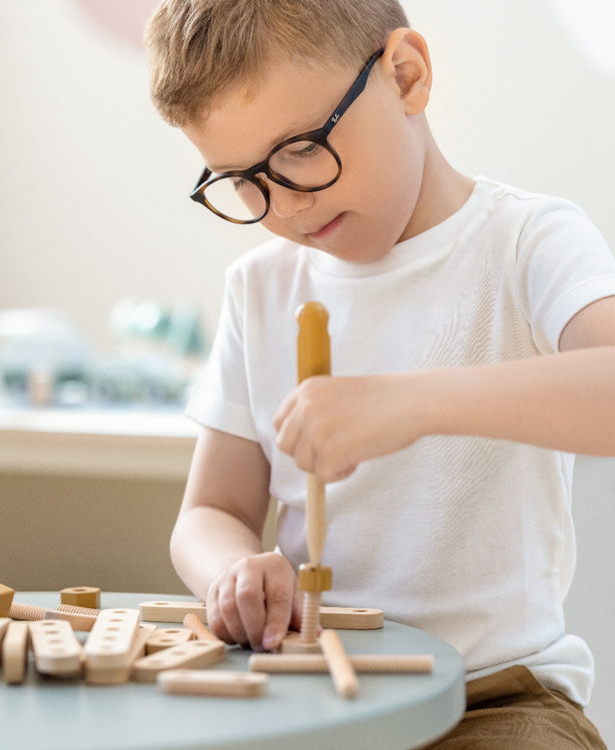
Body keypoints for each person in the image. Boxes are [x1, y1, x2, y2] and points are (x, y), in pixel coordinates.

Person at [144, 1, 612, 746]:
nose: (288, 207)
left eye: (300, 148)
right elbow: (209, 514)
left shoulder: (526, 242)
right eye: (243, 181)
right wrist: (231, 571)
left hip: (491, 698)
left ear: (406, 76)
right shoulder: (262, 289)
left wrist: (413, 402)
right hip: (311, 687)